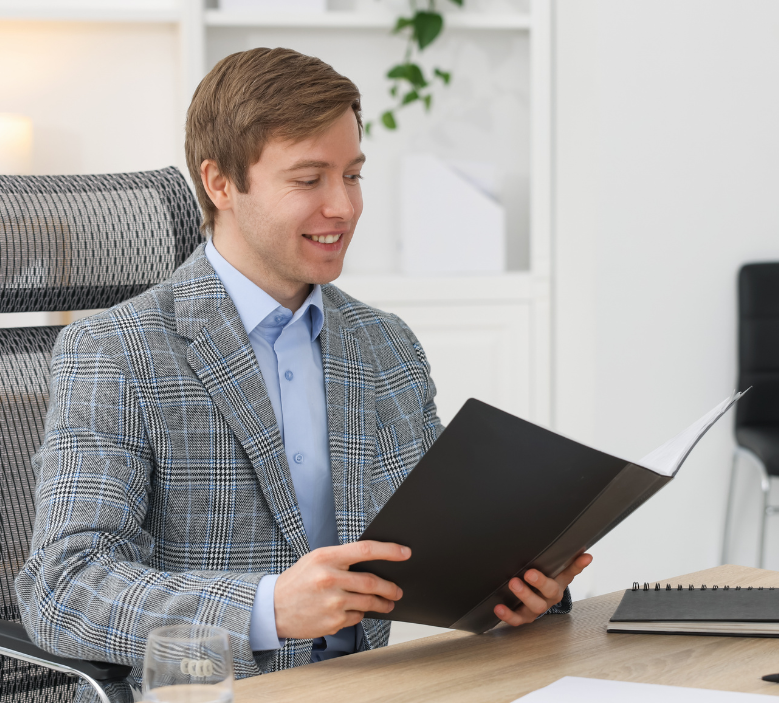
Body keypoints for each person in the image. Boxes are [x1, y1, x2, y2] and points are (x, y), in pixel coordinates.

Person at [16, 47, 591, 702]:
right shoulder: (114, 351)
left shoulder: (384, 344)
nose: (343, 206)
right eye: (309, 179)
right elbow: (64, 588)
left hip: (384, 688)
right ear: (221, 183)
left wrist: (513, 587)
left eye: (353, 174)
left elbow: (438, 539)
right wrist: (269, 606)